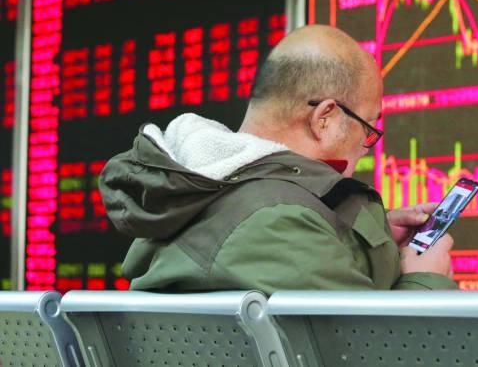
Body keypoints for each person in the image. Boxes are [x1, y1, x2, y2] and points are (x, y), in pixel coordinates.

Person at [99, 24, 456, 293]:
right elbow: (379, 350)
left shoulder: (193, 197)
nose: (366, 146)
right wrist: (426, 281)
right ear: (326, 119)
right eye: (368, 128)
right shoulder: (279, 224)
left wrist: (367, 238)